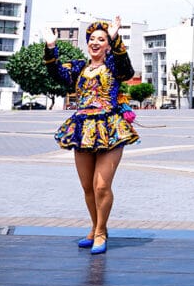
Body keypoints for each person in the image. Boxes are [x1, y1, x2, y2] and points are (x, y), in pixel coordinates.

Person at [45, 17, 138, 255]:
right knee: (87, 187)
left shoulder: (114, 66)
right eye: (93, 39)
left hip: (111, 127)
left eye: (102, 39)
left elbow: (127, 69)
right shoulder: (78, 68)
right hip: (83, 129)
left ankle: (100, 232)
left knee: (101, 186)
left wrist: (117, 38)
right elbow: (57, 74)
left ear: (108, 44)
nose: (96, 43)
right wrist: (51, 47)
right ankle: (94, 227)